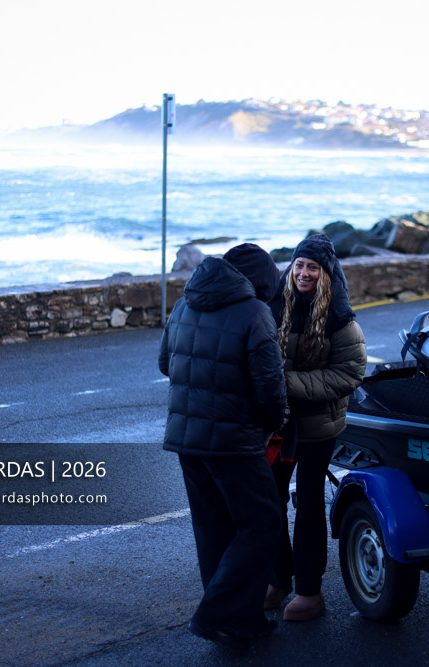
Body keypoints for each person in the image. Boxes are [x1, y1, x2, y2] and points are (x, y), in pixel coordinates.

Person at [159, 243, 288, 651]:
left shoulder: (185, 304)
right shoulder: (255, 313)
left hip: (186, 439)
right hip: (235, 439)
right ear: (262, 281)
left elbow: (166, 362)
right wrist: (273, 423)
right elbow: (270, 386)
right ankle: (216, 615)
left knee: (212, 528)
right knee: (262, 524)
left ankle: (238, 623)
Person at [266, 234, 367, 622]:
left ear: (325, 273)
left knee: (308, 505)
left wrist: (288, 383)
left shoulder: (340, 318)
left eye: (312, 267)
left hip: (319, 425)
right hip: (280, 424)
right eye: (299, 266)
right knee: (269, 498)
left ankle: (310, 590)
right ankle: (278, 578)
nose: (303, 274)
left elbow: (351, 371)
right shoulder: (275, 307)